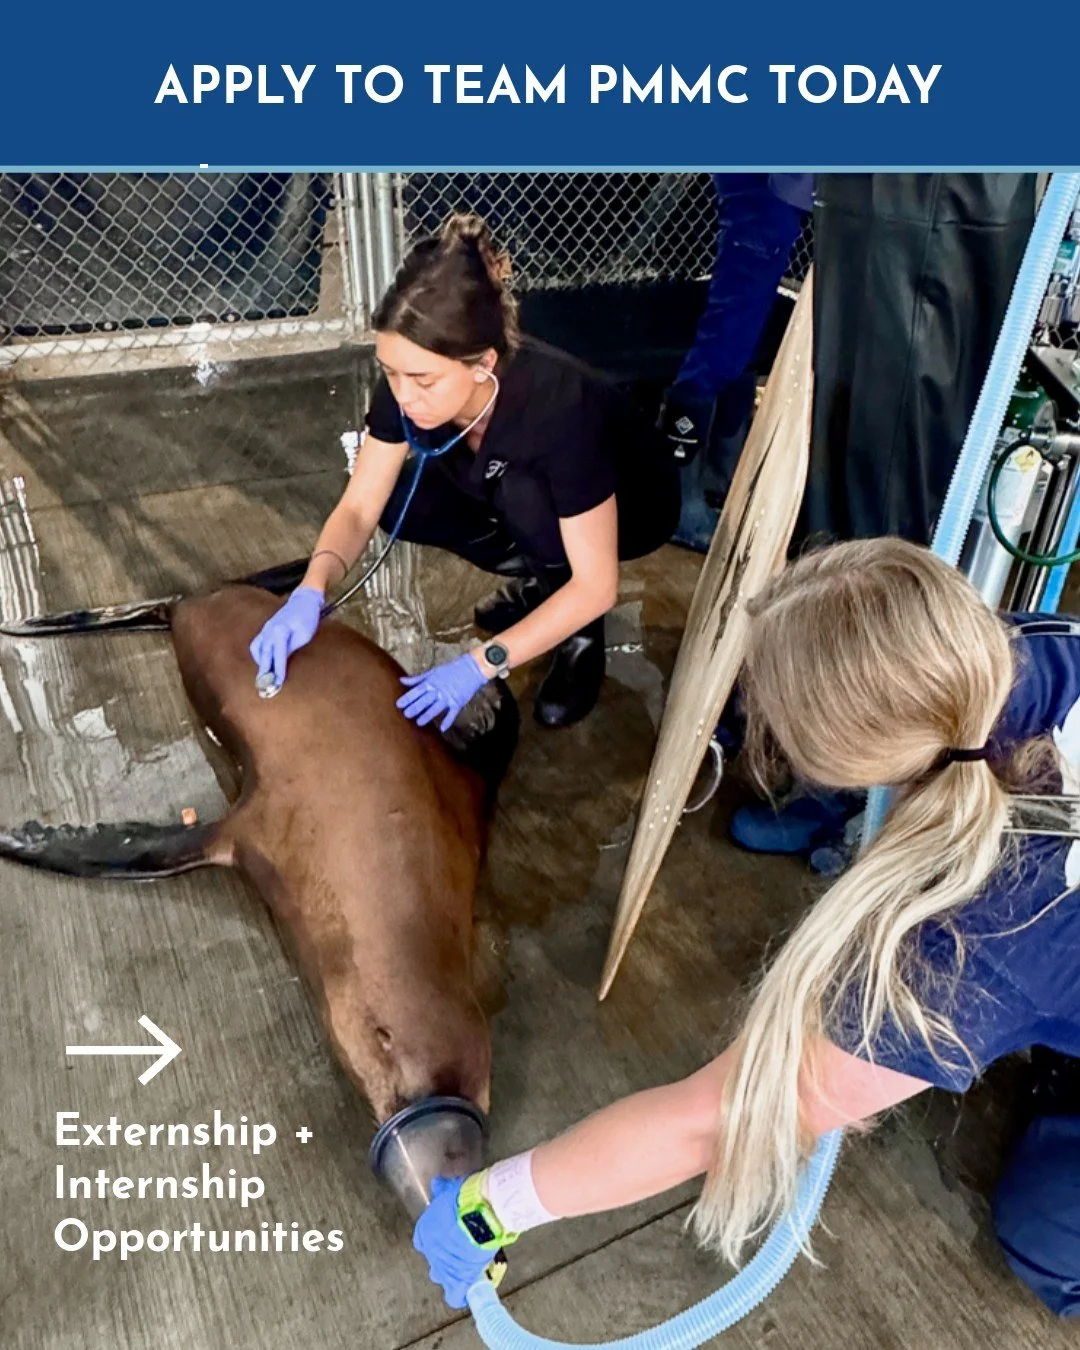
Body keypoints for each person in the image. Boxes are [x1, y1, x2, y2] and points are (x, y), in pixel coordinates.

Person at [412, 538, 1080, 1317]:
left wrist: (494, 1206)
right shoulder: (1024, 648)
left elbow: (718, 1119)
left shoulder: (965, 948)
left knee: (1044, 1234)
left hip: (1038, 943)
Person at [248, 213, 680, 730]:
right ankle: (543, 584)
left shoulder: (557, 408)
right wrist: (311, 589)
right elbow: (359, 506)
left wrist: (483, 663)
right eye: (391, 373)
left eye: (423, 380)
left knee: (524, 498)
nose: (403, 397)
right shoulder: (408, 387)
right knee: (401, 501)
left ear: (483, 364)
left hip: (633, 506)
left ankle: (579, 637)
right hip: (515, 482)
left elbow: (597, 585)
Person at [658, 173, 813, 541]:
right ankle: (681, 502)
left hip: (779, 188)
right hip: (769, 184)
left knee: (743, 336)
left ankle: (721, 479)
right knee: (726, 340)